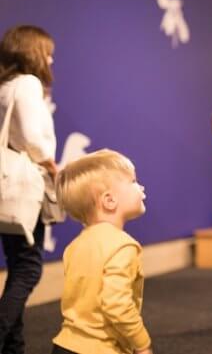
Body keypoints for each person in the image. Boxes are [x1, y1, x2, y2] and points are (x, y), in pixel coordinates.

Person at [51, 149, 152, 354]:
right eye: (133, 181)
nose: (140, 186)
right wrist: (143, 344)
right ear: (109, 201)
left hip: (64, 345)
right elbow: (117, 305)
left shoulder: (74, 246)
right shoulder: (123, 246)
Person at [0, 25, 58, 354]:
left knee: (16, 266)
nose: (50, 58)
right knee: (29, 267)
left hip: (6, 190)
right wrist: (51, 165)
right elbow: (34, 138)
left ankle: (14, 347)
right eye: (47, 52)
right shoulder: (28, 84)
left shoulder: (4, 85)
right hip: (23, 188)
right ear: (33, 52)